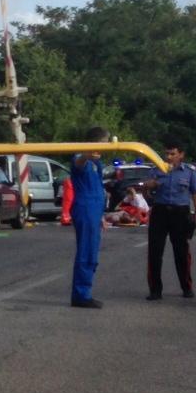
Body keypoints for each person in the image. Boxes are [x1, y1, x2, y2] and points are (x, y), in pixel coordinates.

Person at [143, 142, 196, 300]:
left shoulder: (189, 171)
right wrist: (148, 187)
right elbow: (146, 197)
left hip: (180, 213)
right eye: (167, 153)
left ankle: (186, 287)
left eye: (172, 154)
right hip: (160, 211)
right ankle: (155, 290)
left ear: (181, 155)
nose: (168, 157)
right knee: (155, 252)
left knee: (181, 252)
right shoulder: (156, 170)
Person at [68, 127, 110, 308]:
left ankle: (84, 291)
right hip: (85, 210)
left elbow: (98, 189)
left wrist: (101, 216)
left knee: (92, 253)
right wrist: (87, 154)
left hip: (94, 212)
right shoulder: (82, 158)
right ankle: (81, 294)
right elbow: (79, 162)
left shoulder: (97, 164)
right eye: (104, 143)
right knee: (86, 252)